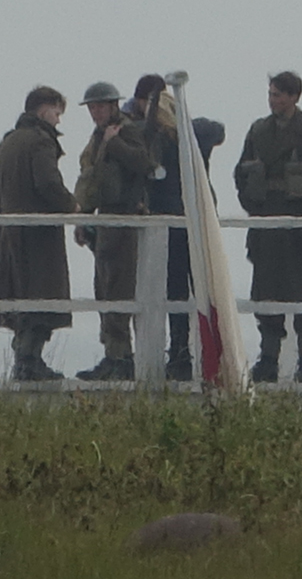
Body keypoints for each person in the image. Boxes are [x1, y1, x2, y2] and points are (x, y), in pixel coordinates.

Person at [234, 71, 302, 383]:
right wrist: (252, 202)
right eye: (271, 93)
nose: (273, 99)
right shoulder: (259, 130)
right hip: (267, 221)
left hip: (300, 223)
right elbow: (241, 172)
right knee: (266, 294)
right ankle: (268, 358)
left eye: (279, 94)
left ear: (294, 96)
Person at [0, 85, 77, 382]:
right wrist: (72, 206)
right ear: (43, 109)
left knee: (21, 299)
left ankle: (23, 361)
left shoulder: (8, 142)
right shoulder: (41, 142)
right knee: (43, 298)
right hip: (39, 237)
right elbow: (48, 184)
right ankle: (30, 360)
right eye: (56, 112)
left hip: (10, 233)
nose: (58, 120)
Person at [72, 81, 156, 381]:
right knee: (105, 288)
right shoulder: (99, 136)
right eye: (92, 108)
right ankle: (113, 354)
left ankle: (121, 358)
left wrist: (114, 143)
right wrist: (83, 218)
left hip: (124, 217)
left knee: (119, 287)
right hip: (106, 218)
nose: (95, 112)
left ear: (112, 105)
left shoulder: (128, 130)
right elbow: (91, 178)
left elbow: (144, 163)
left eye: (99, 106)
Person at [127, 74, 193, 382]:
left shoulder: (151, 134)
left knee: (165, 289)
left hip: (165, 219)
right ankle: (178, 353)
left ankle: (173, 354)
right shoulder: (184, 137)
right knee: (175, 290)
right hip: (181, 220)